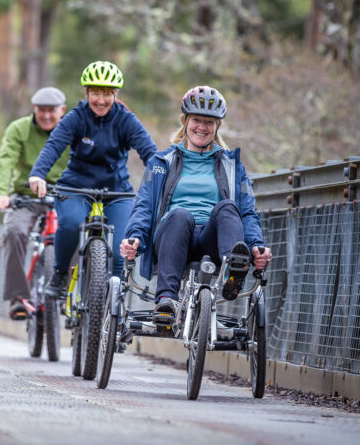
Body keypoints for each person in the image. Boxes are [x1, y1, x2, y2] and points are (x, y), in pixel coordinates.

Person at [120, 85, 272, 324]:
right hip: (174, 235)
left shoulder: (233, 166)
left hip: (213, 240)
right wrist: (134, 237)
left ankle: (233, 273)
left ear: (217, 127)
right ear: (185, 121)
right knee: (180, 214)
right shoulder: (161, 162)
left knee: (228, 207)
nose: (202, 127)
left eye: (209, 122)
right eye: (197, 120)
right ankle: (166, 300)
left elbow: (248, 212)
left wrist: (257, 246)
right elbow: (144, 205)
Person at [29, 61, 157, 298]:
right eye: (95, 93)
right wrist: (38, 174)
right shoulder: (76, 117)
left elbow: (150, 152)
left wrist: (163, 177)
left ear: (115, 95)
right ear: (87, 93)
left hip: (117, 190)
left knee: (122, 247)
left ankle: (113, 301)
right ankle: (59, 273)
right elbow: (54, 146)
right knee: (70, 223)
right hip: (75, 186)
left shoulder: (126, 120)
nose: (101, 100)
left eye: (107, 93)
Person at [0, 87, 69, 320]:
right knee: (14, 231)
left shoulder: (72, 129)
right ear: (34, 109)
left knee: (79, 232)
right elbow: (6, 161)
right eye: (41, 111)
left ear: (62, 110)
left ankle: (71, 292)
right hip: (26, 195)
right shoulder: (19, 129)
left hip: (64, 195)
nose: (46, 116)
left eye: (52, 111)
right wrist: (1, 193)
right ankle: (17, 297)